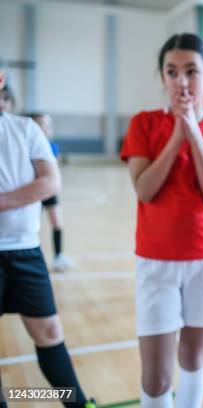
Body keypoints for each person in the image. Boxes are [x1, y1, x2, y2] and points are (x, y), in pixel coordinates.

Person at [120, 33, 203, 408]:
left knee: (192, 357)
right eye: (172, 72)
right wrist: (176, 135)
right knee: (156, 374)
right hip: (155, 261)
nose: (181, 81)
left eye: (191, 71)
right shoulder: (143, 123)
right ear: (162, 78)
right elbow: (145, 189)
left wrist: (194, 134)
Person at [0, 70, 95, 408]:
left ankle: (78, 404)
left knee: (50, 334)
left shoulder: (25, 129)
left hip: (25, 251)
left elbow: (50, 183)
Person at [26, 112, 74, 271]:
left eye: (48, 125)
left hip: (48, 191)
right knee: (31, 225)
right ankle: (29, 255)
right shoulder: (25, 146)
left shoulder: (52, 146)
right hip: (32, 191)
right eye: (41, 124)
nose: (46, 128)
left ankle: (58, 255)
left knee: (57, 222)